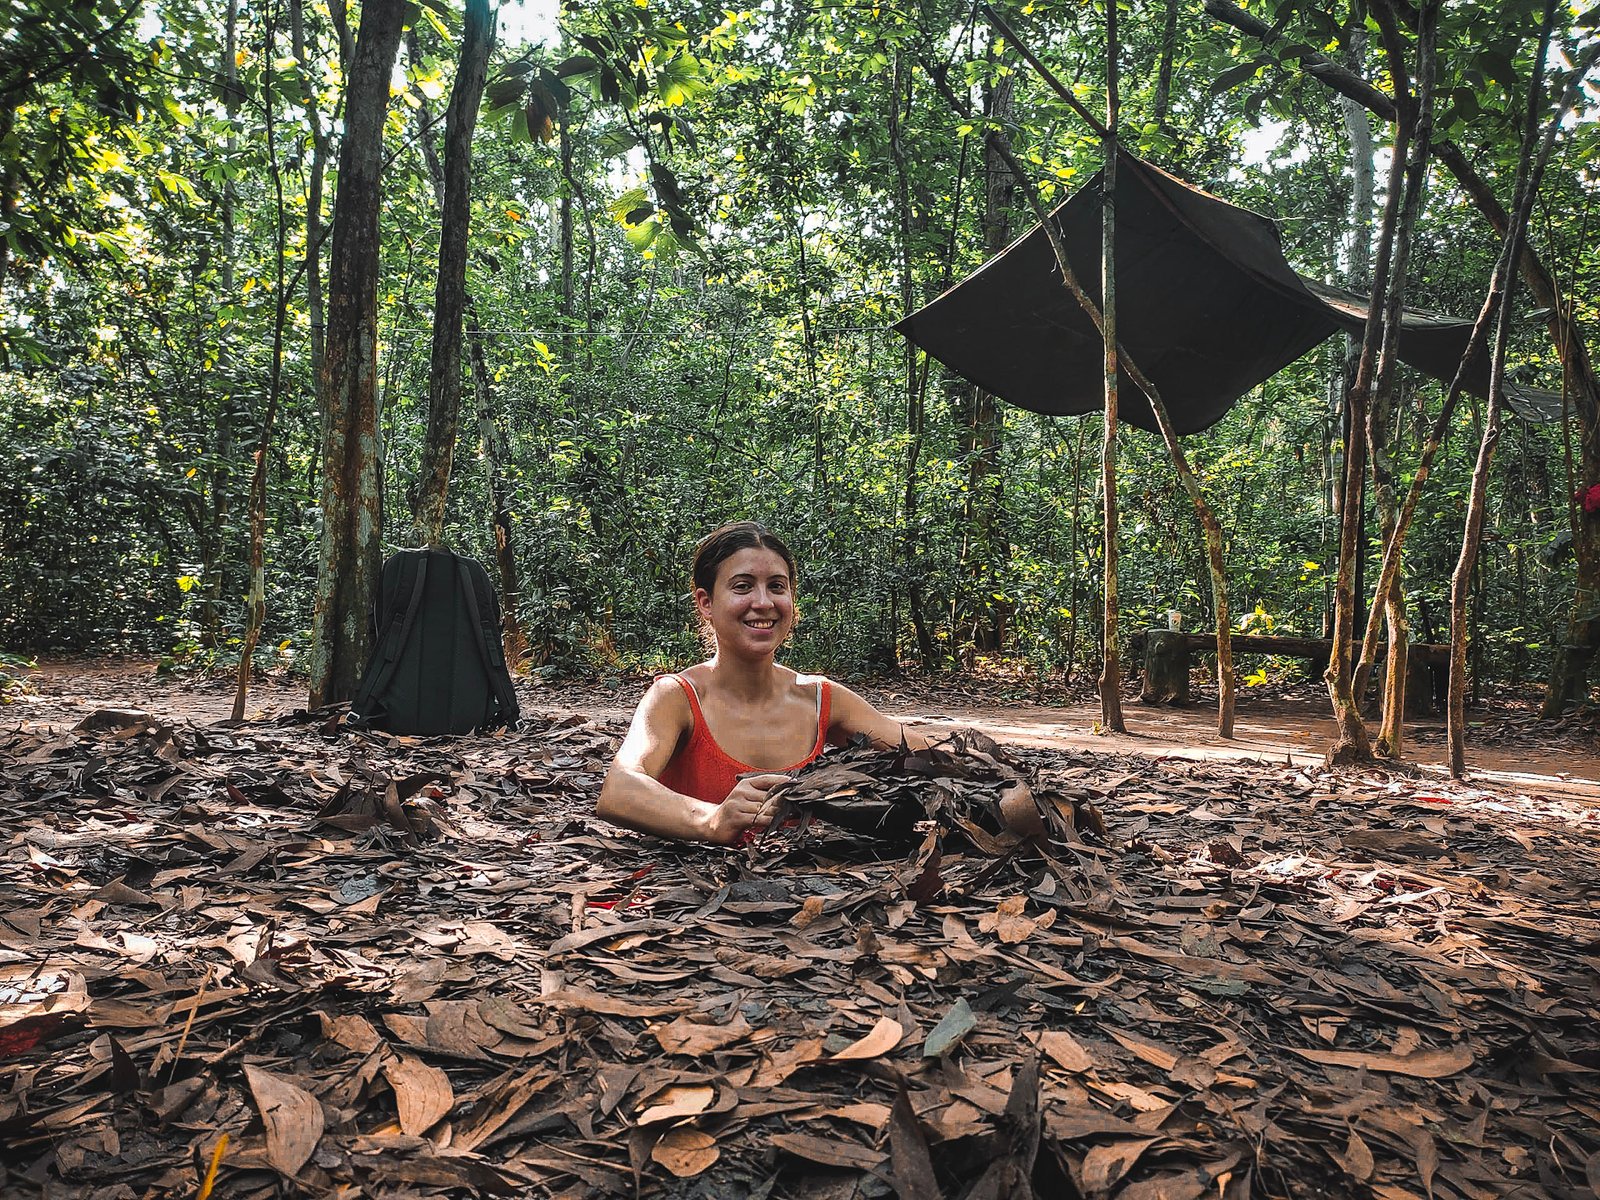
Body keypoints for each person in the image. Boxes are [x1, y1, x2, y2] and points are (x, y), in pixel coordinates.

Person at [597, 521, 1042, 845]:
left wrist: (1017, 787)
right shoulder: (676, 697)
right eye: (741, 586)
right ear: (706, 603)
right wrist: (711, 820)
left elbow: (927, 755)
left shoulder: (821, 699)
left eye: (777, 585)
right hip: (695, 916)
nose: (763, 602)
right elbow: (619, 789)